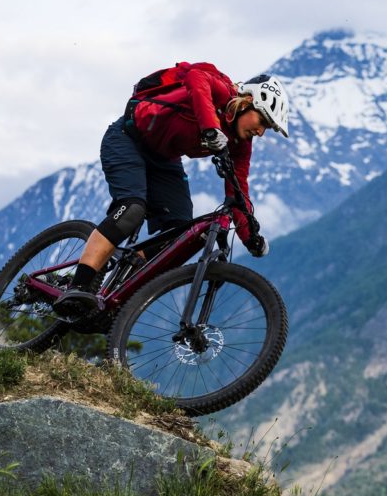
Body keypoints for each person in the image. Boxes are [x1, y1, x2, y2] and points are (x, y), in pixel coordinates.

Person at [53, 62, 289, 315]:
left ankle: (119, 295)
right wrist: (211, 127)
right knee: (132, 209)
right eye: (262, 121)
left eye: (268, 128)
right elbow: (197, 77)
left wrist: (250, 236)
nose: (261, 132)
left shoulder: (241, 145)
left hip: (164, 160)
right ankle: (77, 287)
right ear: (247, 103)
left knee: (182, 236)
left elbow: (238, 191)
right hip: (127, 138)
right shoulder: (222, 92)